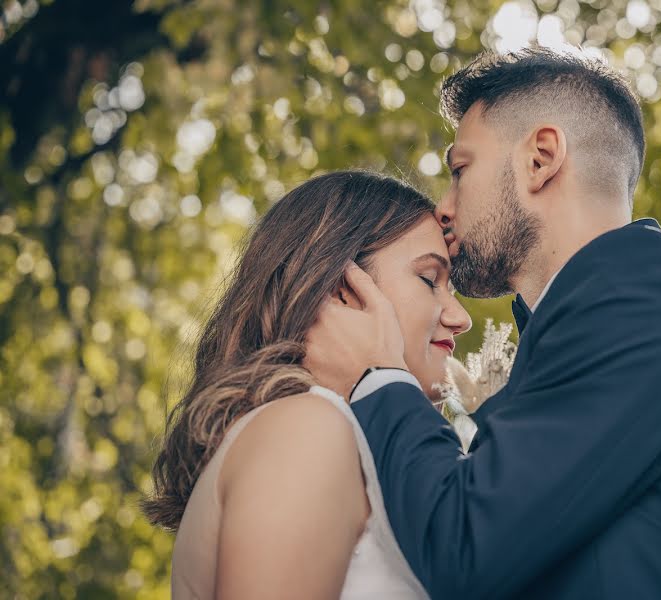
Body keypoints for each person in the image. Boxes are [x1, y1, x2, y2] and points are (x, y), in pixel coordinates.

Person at [305, 48, 661, 599]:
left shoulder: (646, 291)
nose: (444, 205)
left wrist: (378, 375)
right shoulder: (602, 309)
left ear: (541, 158)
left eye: (460, 170)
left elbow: (467, 544)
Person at [142, 171, 470, 598]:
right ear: (342, 290)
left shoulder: (318, 433)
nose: (460, 317)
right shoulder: (306, 427)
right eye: (430, 280)